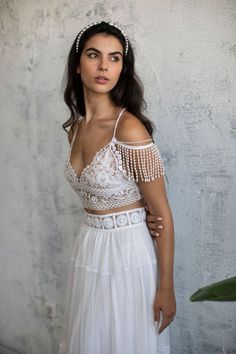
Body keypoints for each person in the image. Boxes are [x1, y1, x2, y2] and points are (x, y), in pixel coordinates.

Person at [59, 21, 176, 354]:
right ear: (77, 64)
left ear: (123, 68)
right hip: (89, 246)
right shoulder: (75, 130)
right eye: (94, 55)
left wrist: (166, 287)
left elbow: (162, 212)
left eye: (114, 58)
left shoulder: (129, 128)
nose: (103, 66)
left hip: (128, 251)